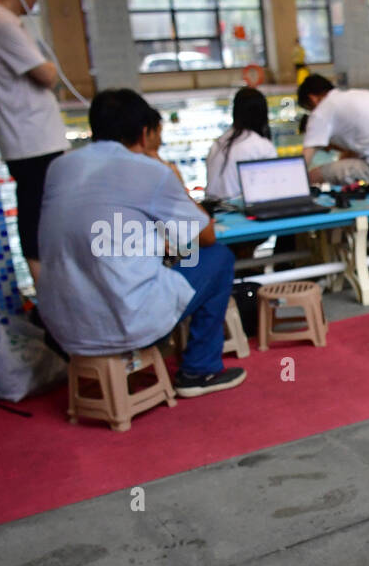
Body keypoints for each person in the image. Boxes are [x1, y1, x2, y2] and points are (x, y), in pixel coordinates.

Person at [36, 89, 245, 397]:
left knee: (171, 257)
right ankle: (200, 370)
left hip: (62, 327)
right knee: (217, 257)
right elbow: (206, 235)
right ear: (145, 132)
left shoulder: (60, 167)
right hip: (125, 321)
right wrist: (166, 170)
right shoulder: (150, 170)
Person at [0, 0, 67, 288]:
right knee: (36, 218)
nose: (34, 1)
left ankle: (52, 295)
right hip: (32, 143)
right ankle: (50, 298)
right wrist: (53, 71)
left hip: (30, 139)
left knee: (43, 215)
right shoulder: (2, 24)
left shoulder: (1, 23)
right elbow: (47, 75)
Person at [205, 87, 278, 201]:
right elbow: (273, 190)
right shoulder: (262, 146)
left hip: (215, 212)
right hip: (241, 211)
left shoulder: (217, 144)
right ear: (263, 114)